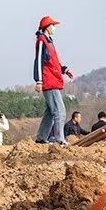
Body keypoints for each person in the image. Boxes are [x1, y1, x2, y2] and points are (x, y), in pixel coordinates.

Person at [33, 15, 73, 146]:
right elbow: (38, 61)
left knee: (50, 112)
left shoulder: (49, 41)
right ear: (47, 27)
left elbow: (53, 63)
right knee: (60, 111)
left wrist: (64, 69)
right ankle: (60, 139)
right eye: (53, 25)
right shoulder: (41, 41)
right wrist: (38, 80)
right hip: (48, 81)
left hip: (53, 79)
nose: (54, 27)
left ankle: (41, 138)